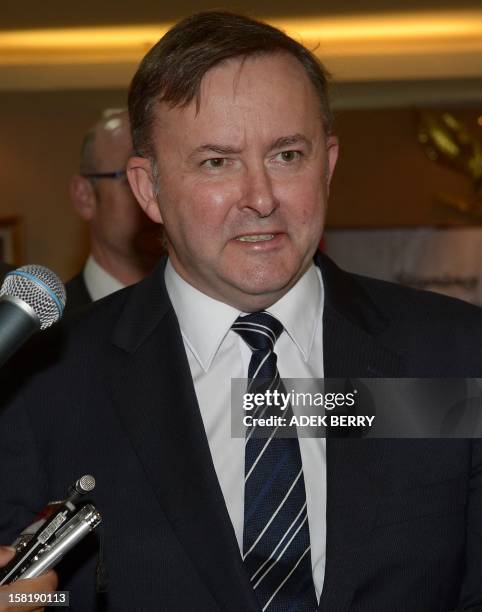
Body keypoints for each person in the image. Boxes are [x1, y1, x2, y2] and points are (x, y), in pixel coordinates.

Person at [1, 11, 481, 612]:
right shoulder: (42, 386)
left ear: (327, 165)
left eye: (286, 155)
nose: (260, 198)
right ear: (148, 190)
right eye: (216, 162)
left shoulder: (452, 355)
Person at [66, 109, 164, 312]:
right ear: (85, 197)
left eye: (160, 177)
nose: (153, 195)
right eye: (130, 180)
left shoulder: (223, 316)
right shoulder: (49, 335)